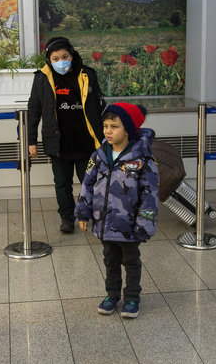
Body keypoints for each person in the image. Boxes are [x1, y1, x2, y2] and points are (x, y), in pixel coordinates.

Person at [74, 103, 159, 318]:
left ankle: (132, 297)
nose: (108, 131)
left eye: (114, 126)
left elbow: (150, 195)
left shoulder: (142, 160)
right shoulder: (99, 155)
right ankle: (112, 295)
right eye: (105, 126)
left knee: (131, 260)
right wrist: (83, 212)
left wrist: (144, 224)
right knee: (109, 259)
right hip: (104, 222)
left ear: (128, 129)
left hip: (129, 225)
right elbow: (87, 184)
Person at [27, 37, 105, 233]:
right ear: (49, 60)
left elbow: (100, 107)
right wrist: (31, 141)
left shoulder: (87, 75)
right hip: (58, 143)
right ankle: (67, 218)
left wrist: (106, 137)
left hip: (85, 142)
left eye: (65, 56)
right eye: (55, 58)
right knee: (62, 184)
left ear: (71, 55)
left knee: (91, 183)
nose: (61, 61)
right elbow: (33, 110)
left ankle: (92, 215)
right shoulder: (42, 78)